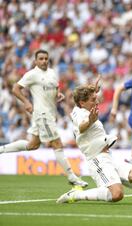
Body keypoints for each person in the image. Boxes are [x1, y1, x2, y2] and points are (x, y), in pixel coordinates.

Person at [0, 49, 87, 187]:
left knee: (33, 145)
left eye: (46, 58)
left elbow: (56, 88)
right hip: (42, 114)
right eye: (40, 59)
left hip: (50, 114)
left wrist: (58, 94)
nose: (44, 61)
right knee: (57, 144)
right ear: (35, 61)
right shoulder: (32, 74)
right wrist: (27, 102)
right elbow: (15, 89)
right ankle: (72, 176)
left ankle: (2, 149)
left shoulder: (52, 73)